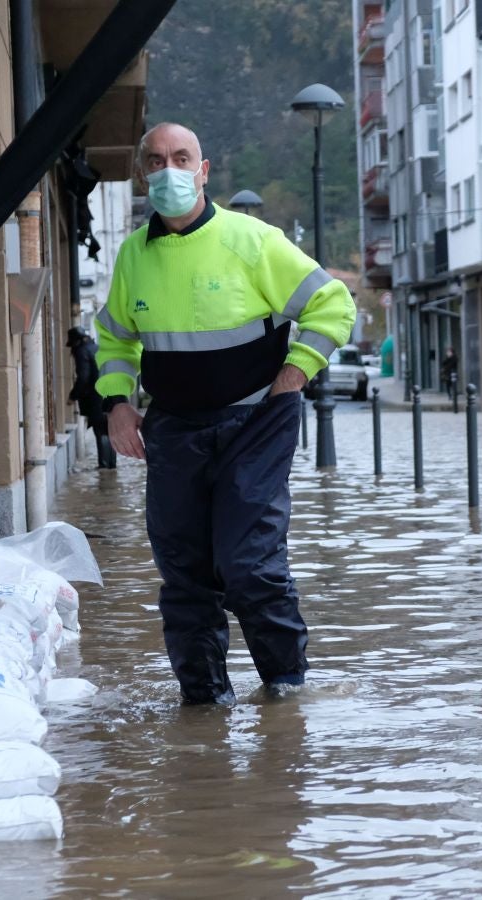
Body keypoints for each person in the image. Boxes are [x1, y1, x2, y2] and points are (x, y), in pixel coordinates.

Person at [94, 122, 356, 705]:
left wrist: (295, 374)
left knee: (248, 565)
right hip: (173, 428)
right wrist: (117, 404)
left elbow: (332, 303)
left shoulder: (251, 239)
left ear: (203, 170)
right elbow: (114, 341)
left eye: (181, 158)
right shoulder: (134, 255)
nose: (169, 170)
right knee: (184, 573)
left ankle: (286, 692)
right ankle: (204, 703)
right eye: (157, 160)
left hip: (255, 423)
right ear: (142, 174)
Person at [67, 326, 117, 469]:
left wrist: (73, 396)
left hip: (95, 399)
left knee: (100, 432)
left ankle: (104, 466)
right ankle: (111, 466)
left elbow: (83, 377)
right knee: (108, 431)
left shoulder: (81, 351)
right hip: (109, 395)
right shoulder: (97, 348)